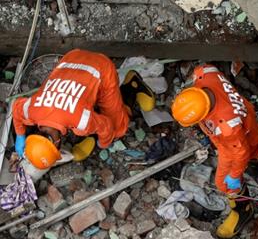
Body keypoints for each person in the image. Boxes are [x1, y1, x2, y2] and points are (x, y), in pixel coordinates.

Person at [12, 49, 154, 169]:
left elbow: (106, 126)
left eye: (56, 147)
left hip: (101, 67)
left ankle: (133, 83)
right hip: (71, 58)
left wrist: (103, 143)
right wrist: (20, 135)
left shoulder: (81, 121)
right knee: (90, 120)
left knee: (118, 128)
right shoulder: (31, 111)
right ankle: (94, 125)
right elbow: (16, 107)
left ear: (53, 141)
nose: (59, 147)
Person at [171, 64, 258, 239]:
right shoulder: (205, 73)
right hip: (249, 122)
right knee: (255, 150)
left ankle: (244, 210)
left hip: (235, 140)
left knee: (224, 183)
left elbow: (240, 152)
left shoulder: (226, 126)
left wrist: (235, 175)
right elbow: (204, 69)